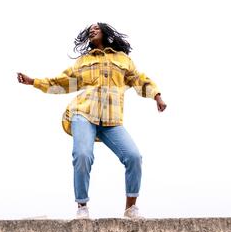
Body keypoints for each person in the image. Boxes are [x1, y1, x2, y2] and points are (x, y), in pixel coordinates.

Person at [17, 23, 167, 219]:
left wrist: (157, 96)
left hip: (111, 120)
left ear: (105, 31)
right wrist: (34, 82)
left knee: (134, 157)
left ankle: (130, 209)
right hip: (83, 114)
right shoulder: (83, 61)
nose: (92, 30)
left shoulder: (122, 60)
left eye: (96, 28)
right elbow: (61, 82)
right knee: (82, 155)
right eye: (90, 30)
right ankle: (82, 207)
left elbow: (139, 80)